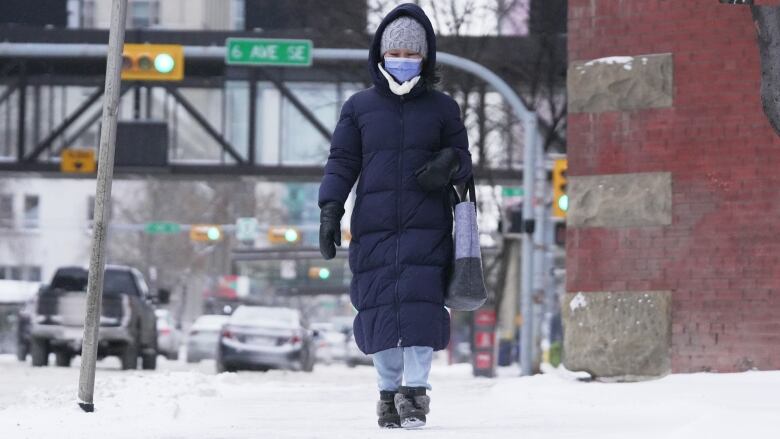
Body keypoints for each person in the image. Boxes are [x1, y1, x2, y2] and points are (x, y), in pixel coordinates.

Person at [318, 3, 472, 429]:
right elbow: (341, 162)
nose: (403, 61)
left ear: (425, 58)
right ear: (381, 54)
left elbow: (464, 159)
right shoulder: (359, 107)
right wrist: (330, 209)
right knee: (378, 307)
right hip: (375, 226)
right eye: (396, 53)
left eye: (412, 54)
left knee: (422, 307)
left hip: (429, 226)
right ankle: (388, 393)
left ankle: (416, 391)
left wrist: (448, 163)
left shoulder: (443, 109)